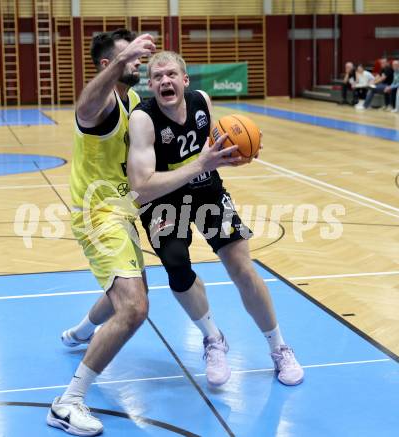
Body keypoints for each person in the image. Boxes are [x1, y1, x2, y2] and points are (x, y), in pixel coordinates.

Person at [127, 51, 304, 389]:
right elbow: (142, 187)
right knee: (178, 270)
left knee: (242, 268)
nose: (165, 80)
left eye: (171, 74)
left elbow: (212, 151)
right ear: (150, 85)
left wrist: (234, 156)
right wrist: (202, 165)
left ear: (185, 80)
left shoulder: (201, 102)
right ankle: (213, 339)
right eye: (157, 76)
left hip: (205, 190)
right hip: (161, 198)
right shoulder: (143, 120)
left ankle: (279, 347)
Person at [46, 29, 156, 436]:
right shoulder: (101, 104)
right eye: (128, 57)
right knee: (134, 308)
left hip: (120, 210)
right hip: (97, 215)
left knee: (127, 291)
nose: (138, 62)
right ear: (107, 66)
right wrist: (122, 59)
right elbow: (84, 103)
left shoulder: (131, 102)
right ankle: (68, 402)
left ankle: (79, 333)